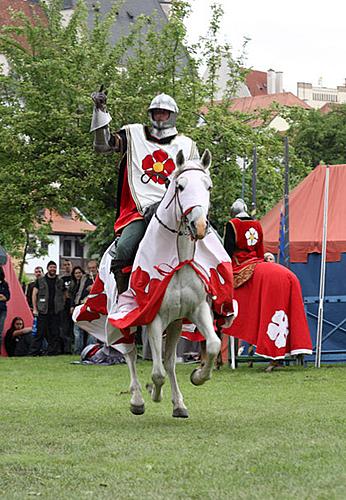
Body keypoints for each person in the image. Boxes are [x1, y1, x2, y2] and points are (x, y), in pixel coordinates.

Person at [90, 89, 199, 293]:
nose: (160, 116)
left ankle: (219, 304)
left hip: (176, 211)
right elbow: (102, 145)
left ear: (172, 115)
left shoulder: (187, 145)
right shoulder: (134, 134)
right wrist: (100, 110)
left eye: (164, 113)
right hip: (140, 210)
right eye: (156, 112)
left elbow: (195, 181)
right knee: (124, 249)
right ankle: (124, 297)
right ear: (151, 114)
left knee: (214, 245)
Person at [223, 199, 312, 366]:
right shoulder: (256, 224)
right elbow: (260, 251)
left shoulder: (232, 224)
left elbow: (227, 252)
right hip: (257, 262)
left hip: (240, 267)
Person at [29, 261, 65, 356]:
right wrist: (35, 308)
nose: (53, 269)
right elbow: (34, 294)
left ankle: (52, 352)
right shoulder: (40, 280)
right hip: (43, 310)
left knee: (55, 333)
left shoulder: (60, 281)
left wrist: (62, 305)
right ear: (47, 268)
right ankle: (34, 352)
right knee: (39, 332)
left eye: (54, 267)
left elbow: (64, 294)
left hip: (56, 311)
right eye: (51, 267)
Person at [68, 266, 93, 354]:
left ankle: (90, 350)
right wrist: (72, 306)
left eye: (79, 273)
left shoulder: (88, 281)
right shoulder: (74, 284)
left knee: (90, 329)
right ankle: (78, 351)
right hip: (77, 308)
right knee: (78, 330)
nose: (78, 275)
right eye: (76, 273)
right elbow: (72, 296)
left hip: (87, 308)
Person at [60, 259, 74, 354]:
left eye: (68, 264)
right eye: (65, 265)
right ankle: (66, 349)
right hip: (64, 307)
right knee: (65, 328)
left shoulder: (76, 277)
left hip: (74, 305)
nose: (67, 266)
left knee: (75, 329)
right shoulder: (60, 279)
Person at [0, 266, 10, 354]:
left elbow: (7, 297)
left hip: (2, 310)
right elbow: (3, 297)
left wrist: (3, 297)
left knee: (0, 330)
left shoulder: (4, 284)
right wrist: (2, 296)